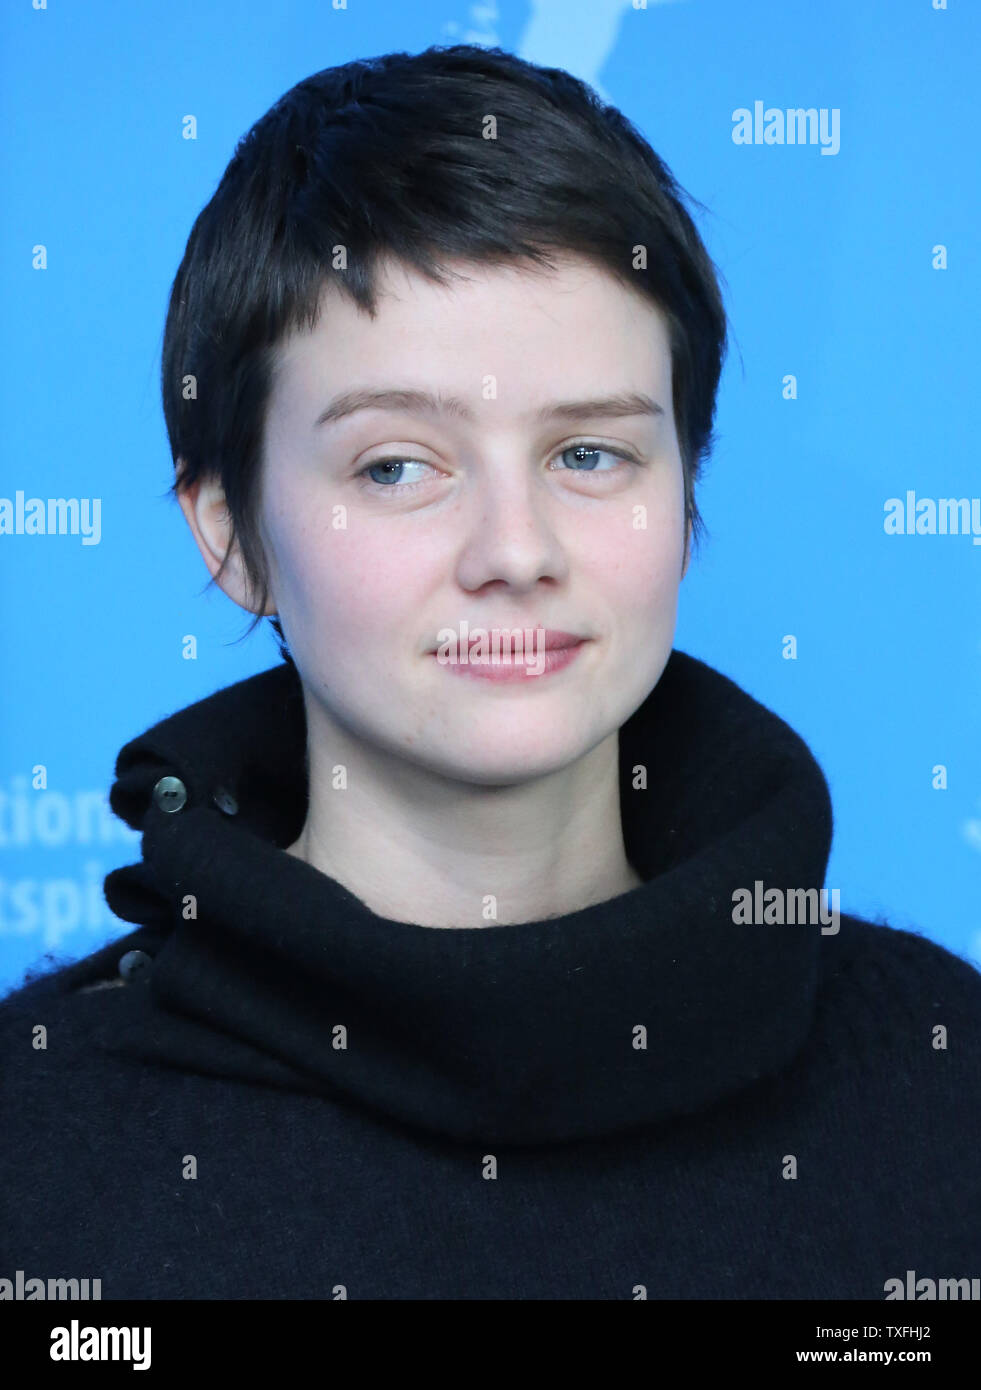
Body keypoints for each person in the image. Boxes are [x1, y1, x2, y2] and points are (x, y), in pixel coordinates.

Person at [2, 44, 979, 1303]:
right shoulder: (37, 1150)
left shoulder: (941, 1085)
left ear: (686, 500)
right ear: (232, 534)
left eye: (589, 453)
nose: (515, 552)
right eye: (397, 467)